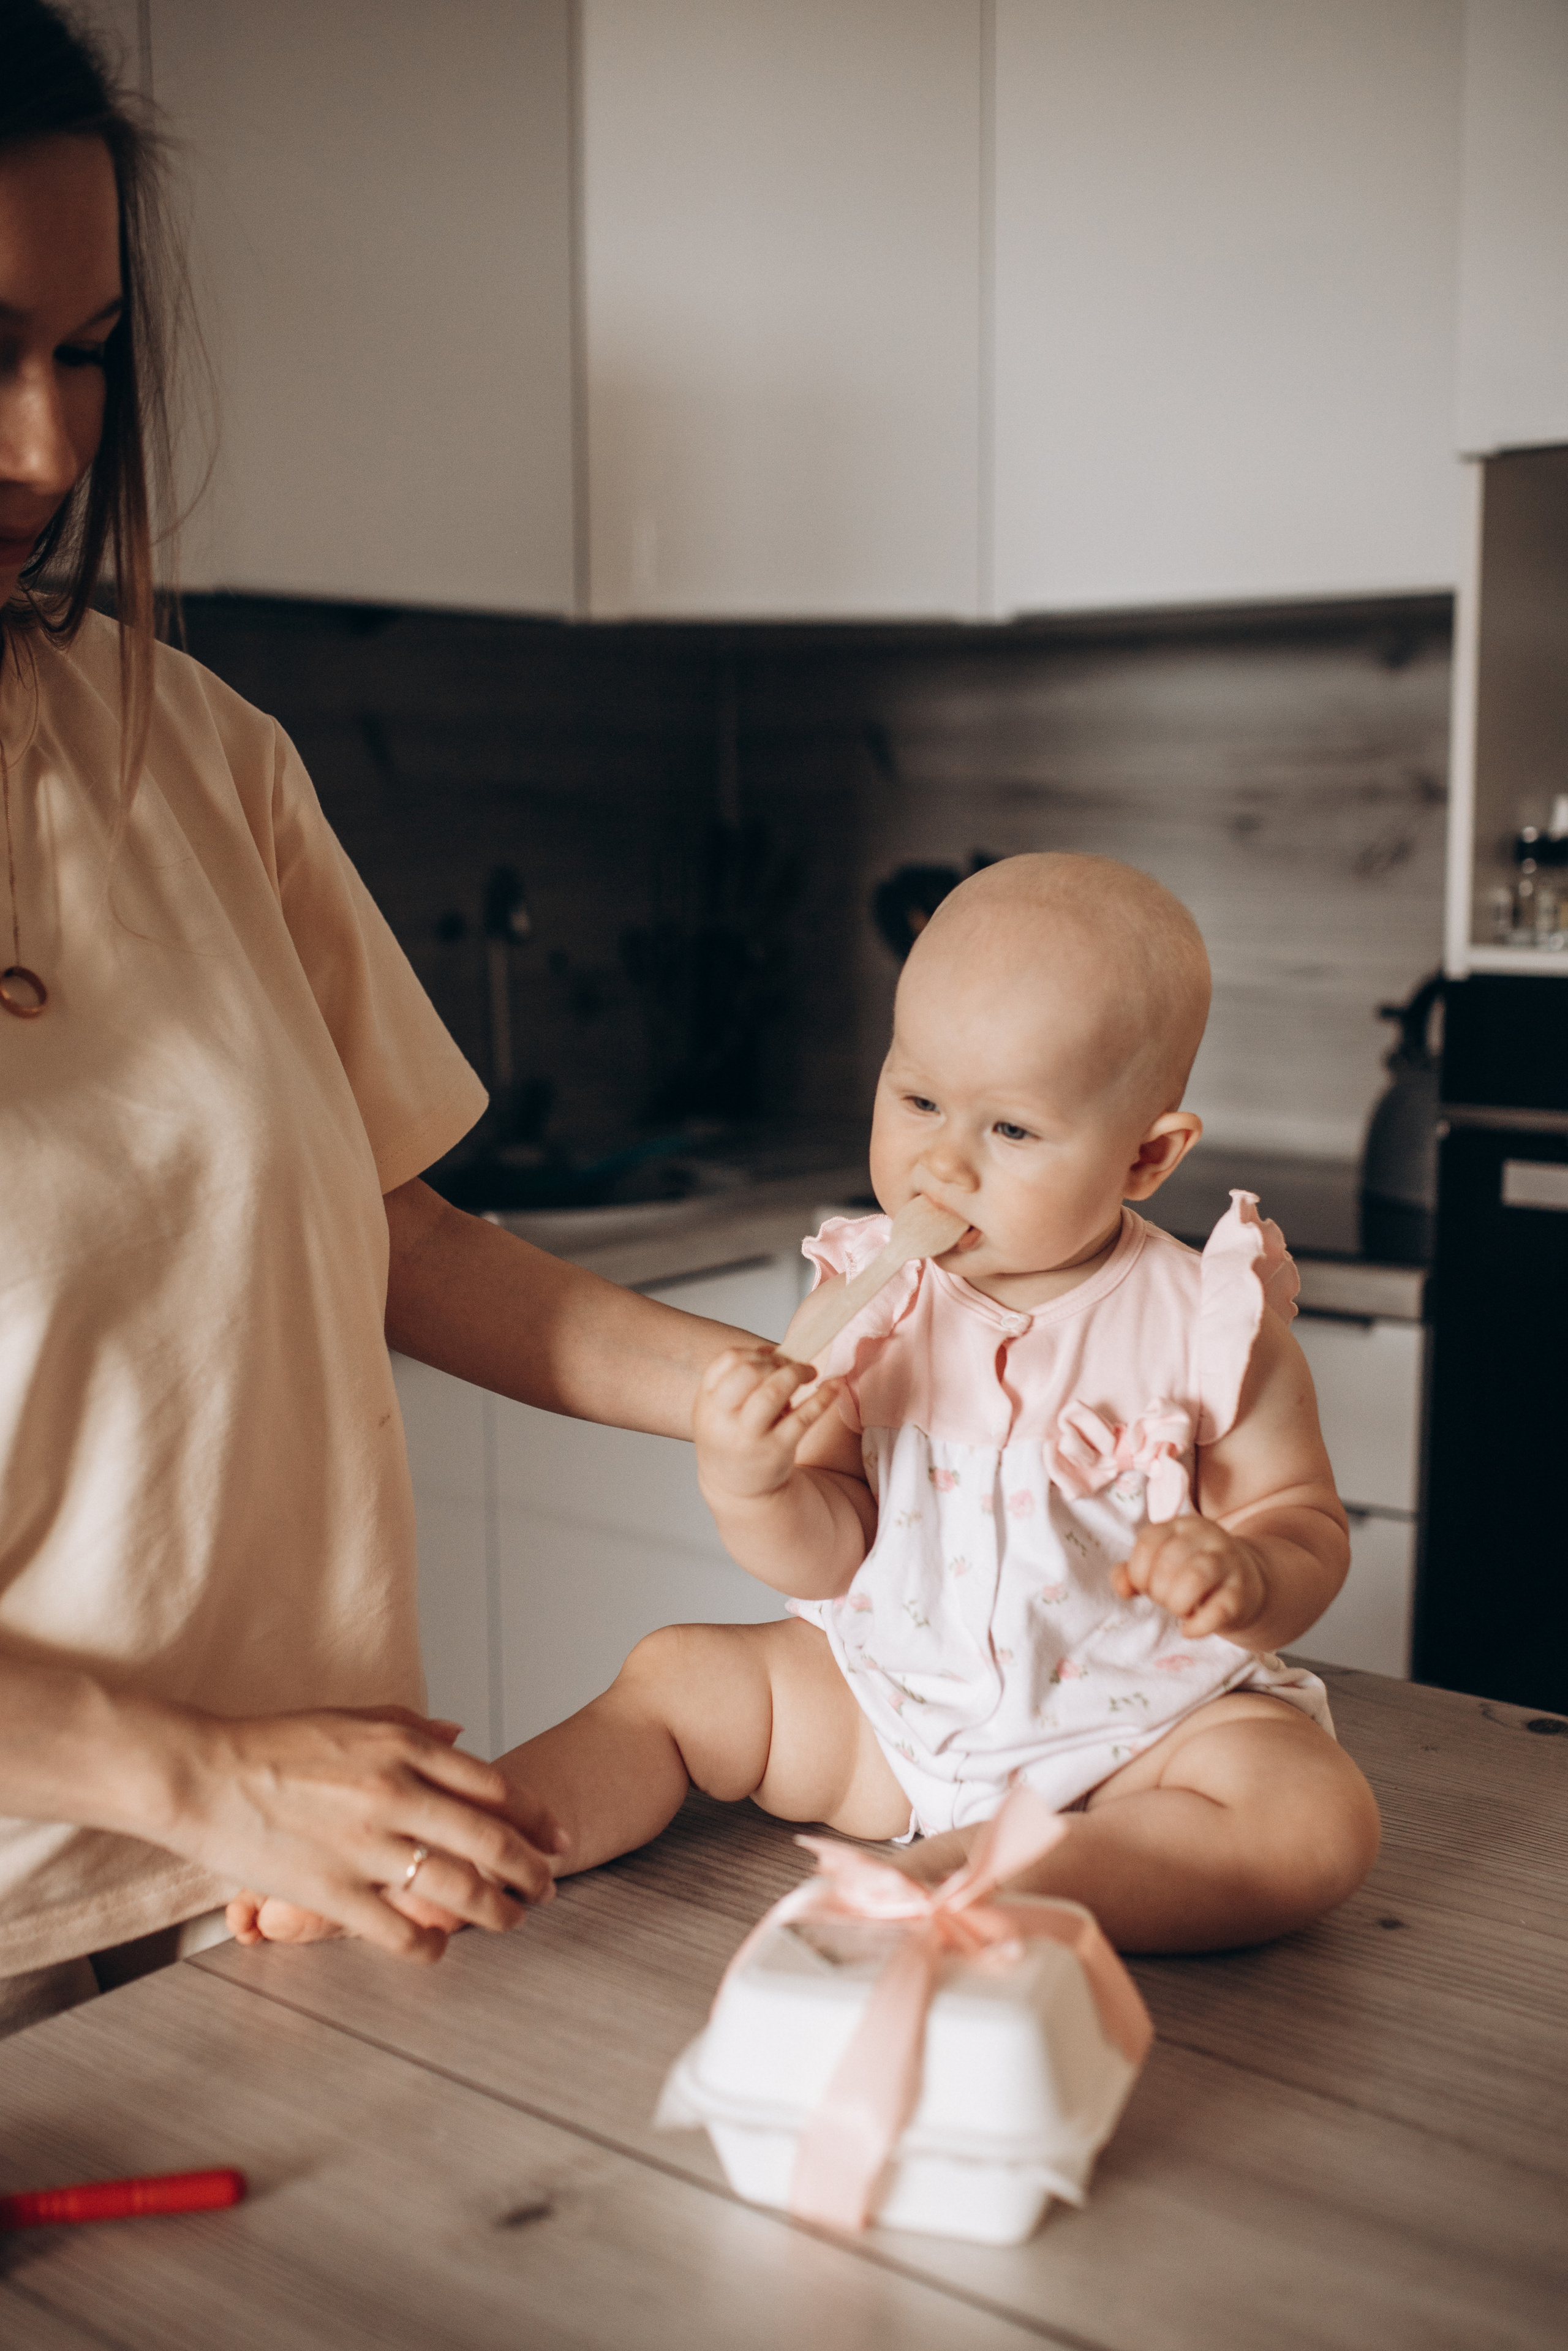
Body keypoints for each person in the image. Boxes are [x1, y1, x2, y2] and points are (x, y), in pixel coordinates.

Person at [0, 0, 764, 2036]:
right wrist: (205, 1779)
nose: (50, 450)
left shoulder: (197, 753)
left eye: (84, 354)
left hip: (303, 1889)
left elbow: (402, 1234)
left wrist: (767, 1389)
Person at [242, 853, 1381, 1957]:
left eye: (1012, 1129)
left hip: (1137, 1725)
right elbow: (831, 1552)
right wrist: (752, 1480)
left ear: (1146, 1156)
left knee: (1313, 1819)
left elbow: (1303, 1525)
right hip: (893, 1708)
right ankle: (439, 1854)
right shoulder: (867, 1299)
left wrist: (1247, 1575)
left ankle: (1014, 1871)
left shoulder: (1211, 1325)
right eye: (920, 1098)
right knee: (678, 1675)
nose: (943, 1164)